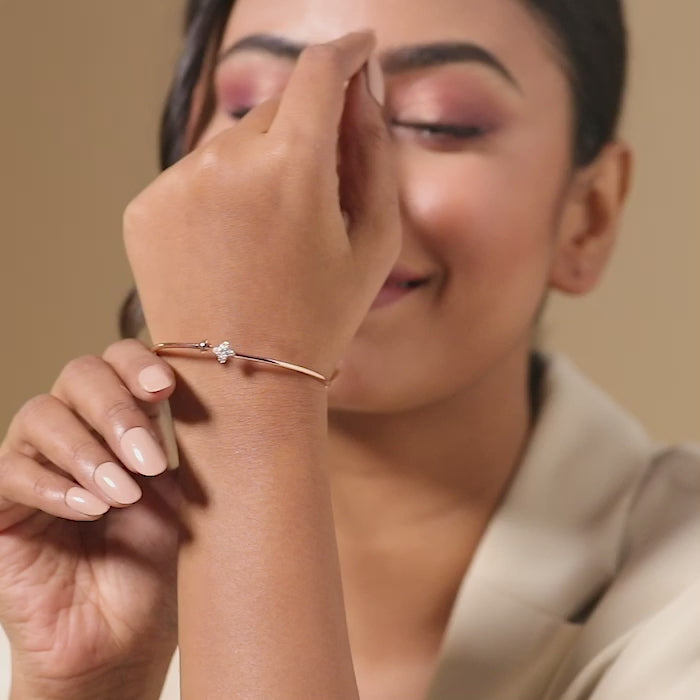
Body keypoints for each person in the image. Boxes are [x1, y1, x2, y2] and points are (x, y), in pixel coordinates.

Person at [0, 0, 698, 698]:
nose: (318, 180)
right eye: (253, 110)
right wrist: (99, 686)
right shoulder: (56, 591)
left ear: (588, 216)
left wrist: (252, 398)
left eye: (439, 123)